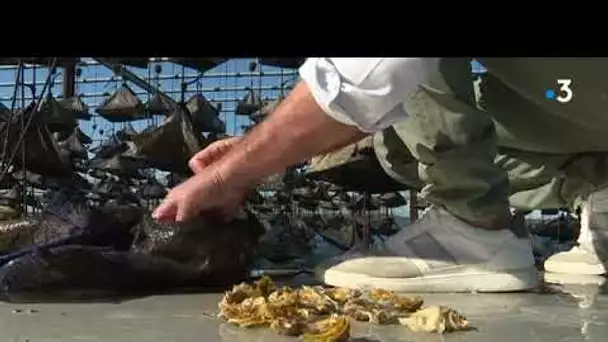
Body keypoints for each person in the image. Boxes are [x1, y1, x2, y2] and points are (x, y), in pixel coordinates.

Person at [153, 58, 608, 293]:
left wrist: (235, 173)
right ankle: (602, 190)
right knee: (393, 140)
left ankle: (476, 230)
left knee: (406, 96)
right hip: (574, 94)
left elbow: (376, 75)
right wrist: (258, 145)